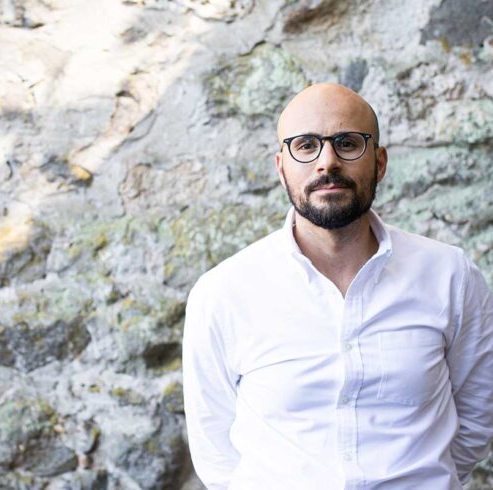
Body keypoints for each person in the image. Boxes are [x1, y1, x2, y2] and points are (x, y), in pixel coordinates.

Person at [182, 83, 493, 489]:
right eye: (306, 145)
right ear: (281, 168)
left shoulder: (450, 275)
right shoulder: (223, 292)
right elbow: (216, 451)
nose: (327, 162)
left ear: (379, 163)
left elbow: (477, 414)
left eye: (347, 143)